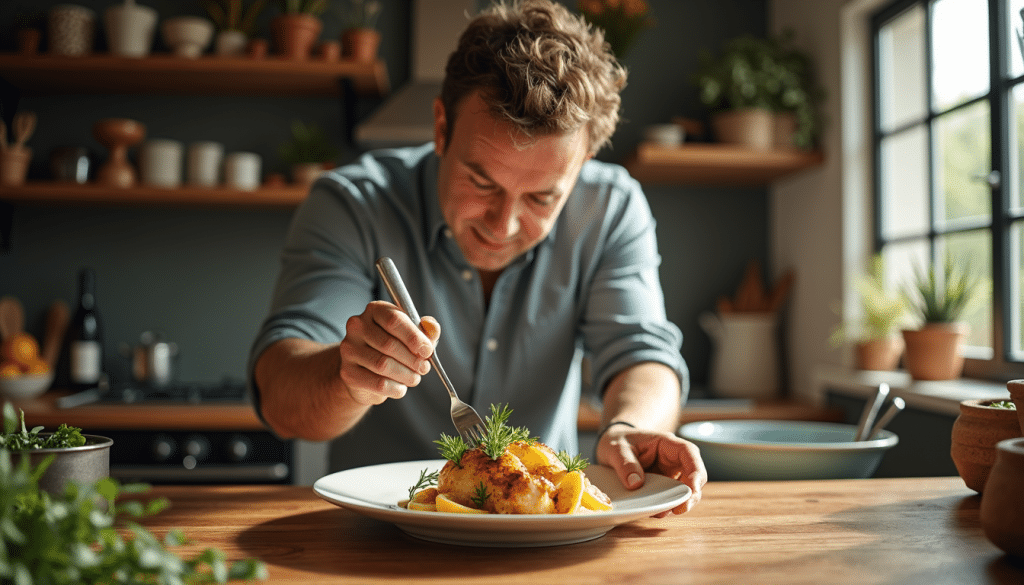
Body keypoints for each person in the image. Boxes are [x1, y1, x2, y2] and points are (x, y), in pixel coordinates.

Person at [249, 0, 706, 514]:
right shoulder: (352, 203)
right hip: (381, 541)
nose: (502, 223)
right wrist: (347, 375)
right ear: (441, 127)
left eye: (541, 198)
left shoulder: (611, 207)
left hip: (544, 536)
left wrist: (630, 427)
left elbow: (641, 353)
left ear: (582, 164)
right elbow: (281, 396)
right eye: (482, 181)